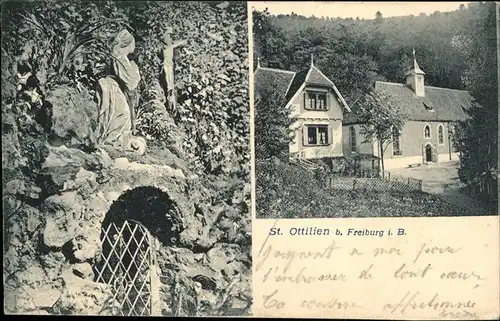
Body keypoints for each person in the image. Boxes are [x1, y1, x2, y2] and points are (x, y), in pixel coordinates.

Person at [96, 29, 141, 146]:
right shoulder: (120, 58)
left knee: (123, 116)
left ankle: (121, 143)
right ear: (127, 44)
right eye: (133, 43)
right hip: (113, 88)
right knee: (123, 115)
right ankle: (113, 141)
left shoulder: (121, 57)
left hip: (115, 87)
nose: (134, 46)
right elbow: (130, 80)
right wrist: (135, 70)